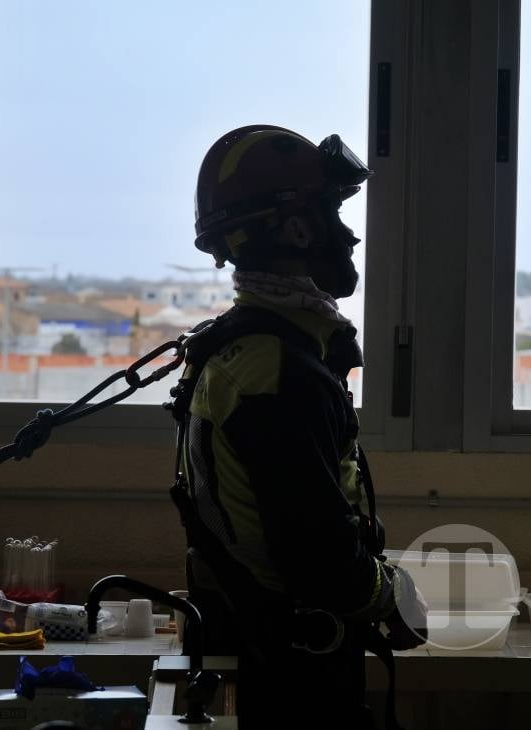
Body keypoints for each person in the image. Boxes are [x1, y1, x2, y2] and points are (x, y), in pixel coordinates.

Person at [167, 125, 427, 728]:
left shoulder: (247, 350)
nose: (350, 233)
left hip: (255, 645)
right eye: (331, 212)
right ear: (294, 229)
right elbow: (317, 555)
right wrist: (388, 594)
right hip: (288, 673)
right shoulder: (281, 374)